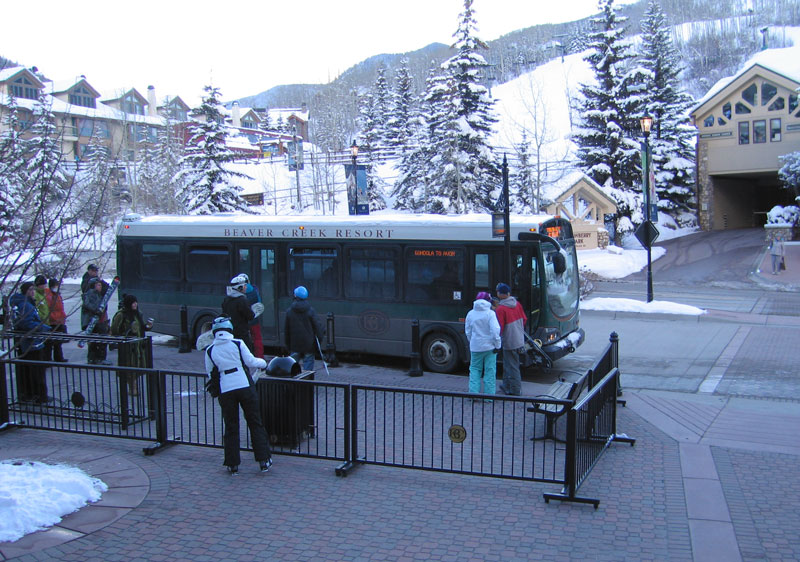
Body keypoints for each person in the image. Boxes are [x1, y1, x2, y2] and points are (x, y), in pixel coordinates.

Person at [205, 316, 272, 475]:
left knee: (231, 426)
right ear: (229, 329)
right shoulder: (237, 343)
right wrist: (263, 363)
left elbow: (210, 373)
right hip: (244, 385)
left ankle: (232, 463)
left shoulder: (210, 350)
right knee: (255, 422)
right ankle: (263, 460)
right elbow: (250, 362)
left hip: (225, 389)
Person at [9, 282, 52, 403]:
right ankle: (39, 396)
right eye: (31, 289)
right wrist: (42, 327)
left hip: (26, 343)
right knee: (36, 371)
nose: (33, 292)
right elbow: (26, 324)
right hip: (32, 342)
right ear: (26, 291)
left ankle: (29, 394)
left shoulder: (20, 304)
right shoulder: (25, 305)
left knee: (28, 370)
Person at [111, 294, 153, 395]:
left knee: (137, 367)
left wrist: (148, 326)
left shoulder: (137, 314)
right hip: (128, 346)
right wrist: (125, 335)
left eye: (135, 302)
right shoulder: (121, 315)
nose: (135, 304)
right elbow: (114, 330)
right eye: (133, 303)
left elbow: (141, 327)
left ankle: (133, 386)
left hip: (138, 346)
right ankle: (132, 388)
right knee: (130, 367)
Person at [464, 291, 501, 399]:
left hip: (475, 346)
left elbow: (468, 331)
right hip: (490, 347)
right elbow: (495, 331)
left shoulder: (470, 313)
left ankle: (473, 394)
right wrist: (497, 345)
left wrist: (472, 342)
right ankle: (489, 397)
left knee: (475, 370)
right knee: (490, 371)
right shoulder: (490, 314)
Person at [494, 282, 527, 396]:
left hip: (510, 340)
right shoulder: (517, 304)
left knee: (512, 366)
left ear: (501, 294)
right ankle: (506, 385)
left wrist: (497, 340)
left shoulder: (501, 309)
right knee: (509, 364)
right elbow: (524, 319)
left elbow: (500, 327)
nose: (496, 293)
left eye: (498, 291)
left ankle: (515, 390)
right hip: (519, 338)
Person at [284, 285, 323, 372]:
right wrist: (318, 343)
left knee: (292, 365)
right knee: (308, 367)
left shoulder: (289, 311)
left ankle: (293, 383)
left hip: (294, 344)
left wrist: (287, 345)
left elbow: (286, 330)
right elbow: (318, 328)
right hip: (309, 344)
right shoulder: (310, 310)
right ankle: (307, 383)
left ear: (295, 296)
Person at [82, 277, 111, 365]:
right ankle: (96, 358)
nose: (100, 287)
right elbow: (88, 305)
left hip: (99, 320)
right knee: (97, 340)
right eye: (98, 285)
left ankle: (96, 358)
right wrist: (96, 310)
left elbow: (108, 288)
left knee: (97, 340)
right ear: (93, 286)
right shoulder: (90, 294)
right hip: (93, 321)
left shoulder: (99, 294)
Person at [221, 274, 255, 352]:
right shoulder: (242, 300)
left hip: (231, 332)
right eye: (244, 286)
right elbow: (250, 316)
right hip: (242, 333)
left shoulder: (226, 299)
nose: (246, 287)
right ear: (239, 288)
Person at [240, 273, 265, 359]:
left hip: (243, 321)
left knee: (243, 339)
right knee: (257, 338)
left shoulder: (238, 292)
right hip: (254, 320)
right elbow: (259, 303)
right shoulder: (254, 290)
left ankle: (246, 357)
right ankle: (259, 357)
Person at [45, 278, 68, 362]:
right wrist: (55, 318)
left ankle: (58, 357)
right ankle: (48, 359)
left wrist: (62, 317)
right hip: (53, 321)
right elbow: (48, 309)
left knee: (58, 341)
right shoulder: (49, 296)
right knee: (50, 342)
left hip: (58, 320)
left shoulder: (57, 295)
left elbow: (60, 308)